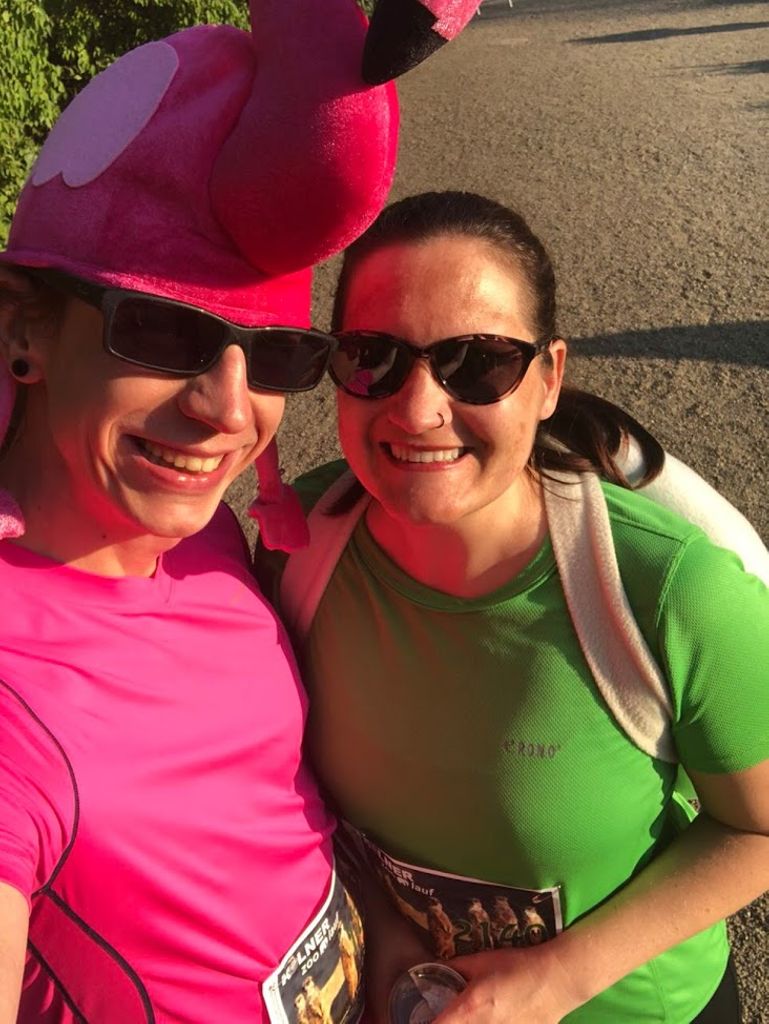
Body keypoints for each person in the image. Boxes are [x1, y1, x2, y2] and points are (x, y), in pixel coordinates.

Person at [0, 3, 489, 1019]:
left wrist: (373, 927)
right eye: (161, 332)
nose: (229, 410)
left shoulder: (198, 532)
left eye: (274, 356)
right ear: (23, 330)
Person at [258, 191, 769, 1024]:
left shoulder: (669, 592)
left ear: (549, 379)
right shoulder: (300, 543)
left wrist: (556, 979)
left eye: (477, 364)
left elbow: (757, 829)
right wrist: (382, 924)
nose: (418, 409)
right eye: (372, 357)